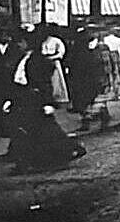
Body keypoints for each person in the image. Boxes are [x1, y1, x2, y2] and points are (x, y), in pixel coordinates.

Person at [5, 41, 86, 172]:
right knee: (28, 129)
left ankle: (67, 150)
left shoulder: (38, 60)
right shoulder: (20, 58)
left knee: (44, 130)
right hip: (23, 99)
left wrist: (48, 102)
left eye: (23, 42)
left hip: (36, 100)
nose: (20, 45)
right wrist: (10, 99)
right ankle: (27, 160)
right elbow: (14, 82)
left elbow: (46, 83)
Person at [80, 35, 115, 131]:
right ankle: (102, 119)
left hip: (99, 79)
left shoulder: (99, 51)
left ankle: (93, 122)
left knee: (97, 100)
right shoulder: (90, 50)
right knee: (95, 101)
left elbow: (107, 65)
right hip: (95, 79)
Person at [39, 27, 70, 106]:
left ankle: (59, 98)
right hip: (45, 63)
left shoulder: (56, 41)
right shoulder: (43, 41)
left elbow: (61, 52)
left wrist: (52, 57)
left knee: (57, 80)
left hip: (55, 62)